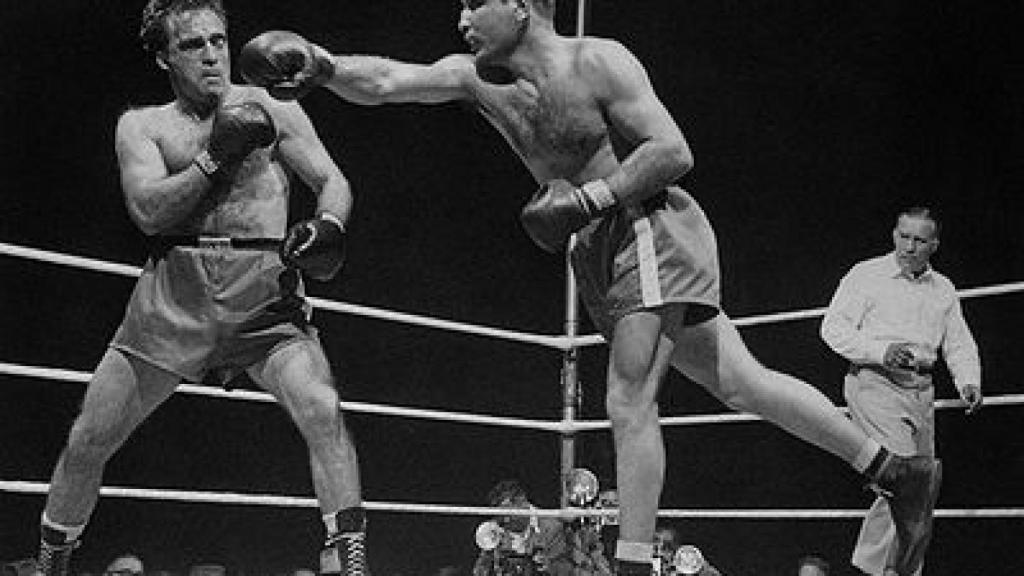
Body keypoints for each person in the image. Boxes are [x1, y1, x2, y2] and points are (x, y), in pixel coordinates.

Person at [238, 2, 941, 574]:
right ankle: (892, 470)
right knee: (741, 382)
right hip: (600, 246)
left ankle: (632, 563)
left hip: (649, 226)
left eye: (475, 2)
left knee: (628, 398)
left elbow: (672, 150)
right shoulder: (476, 77)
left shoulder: (598, 61)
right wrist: (324, 66)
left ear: (521, 6)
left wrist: (588, 198)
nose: (462, 17)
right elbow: (392, 80)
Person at [31, 2, 368, 576]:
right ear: (165, 57)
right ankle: (51, 563)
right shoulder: (142, 126)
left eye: (219, 40)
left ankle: (351, 559)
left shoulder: (270, 106)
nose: (212, 55)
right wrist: (216, 157)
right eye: (193, 45)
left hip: (263, 287)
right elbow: (148, 212)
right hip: (174, 288)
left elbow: (331, 179)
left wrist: (330, 223)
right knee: (89, 435)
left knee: (322, 408)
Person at [820, 206, 982, 576]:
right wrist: (880, 351)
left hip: (921, 389)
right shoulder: (866, 275)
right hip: (874, 382)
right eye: (904, 236)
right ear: (894, 235)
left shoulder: (943, 289)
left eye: (919, 240)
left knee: (920, 487)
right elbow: (832, 328)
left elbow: (958, 342)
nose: (909, 247)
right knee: (905, 480)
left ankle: (893, 569)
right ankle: (879, 570)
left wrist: (968, 381)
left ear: (934, 245)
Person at [472, 480, 611, 576]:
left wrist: (547, 565)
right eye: (500, 516)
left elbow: (567, 569)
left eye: (508, 514)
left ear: (523, 502)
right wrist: (490, 556)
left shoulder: (552, 526)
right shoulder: (494, 529)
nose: (505, 521)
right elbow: (479, 571)